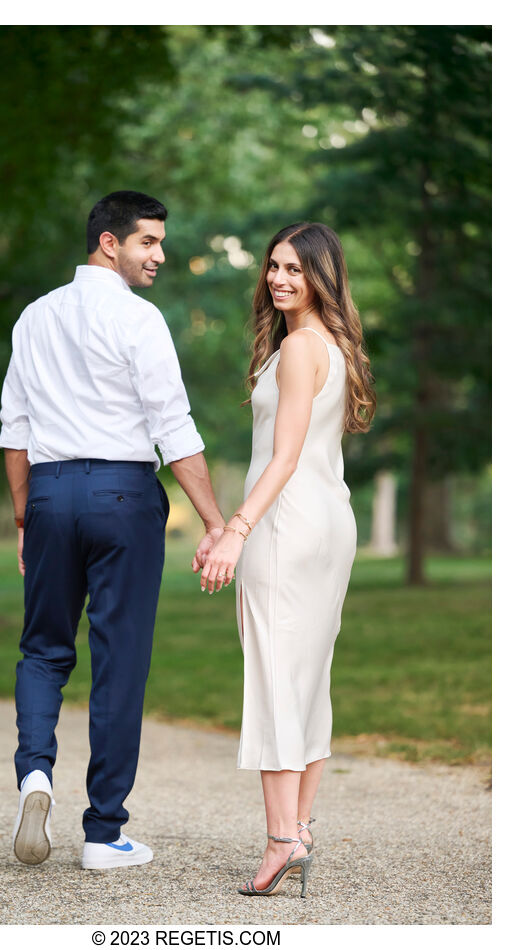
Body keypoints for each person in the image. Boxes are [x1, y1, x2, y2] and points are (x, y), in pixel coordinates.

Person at [0, 190, 224, 870]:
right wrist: (217, 521)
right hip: (124, 494)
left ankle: (34, 774)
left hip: (50, 493)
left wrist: (23, 517)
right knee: (118, 661)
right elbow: (173, 430)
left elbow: (15, 433)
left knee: (42, 649)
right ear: (109, 243)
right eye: (148, 242)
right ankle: (103, 834)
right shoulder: (139, 319)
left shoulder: (34, 317)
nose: (159, 254)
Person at [196, 222, 375, 897]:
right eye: (273, 266)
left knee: (276, 677)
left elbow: (285, 456)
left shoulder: (300, 348)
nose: (278, 279)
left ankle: (282, 840)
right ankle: (299, 825)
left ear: (322, 277)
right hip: (326, 521)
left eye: (295, 269)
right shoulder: (325, 344)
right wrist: (228, 530)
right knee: (306, 679)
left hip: (288, 525)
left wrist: (237, 528)